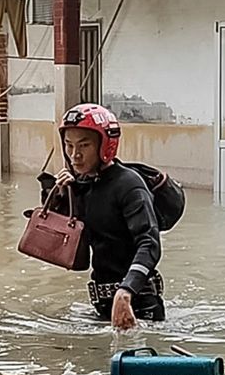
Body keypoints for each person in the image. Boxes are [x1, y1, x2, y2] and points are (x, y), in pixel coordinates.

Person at [45, 103, 164, 330]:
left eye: (84, 145)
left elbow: (149, 243)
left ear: (105, 145)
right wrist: (60, 196)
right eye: (69, 145)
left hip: (140, 304)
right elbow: (59, 245)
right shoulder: (80, 186)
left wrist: (126, 290)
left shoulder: (129, 185)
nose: (75, 155)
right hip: (103, 305)